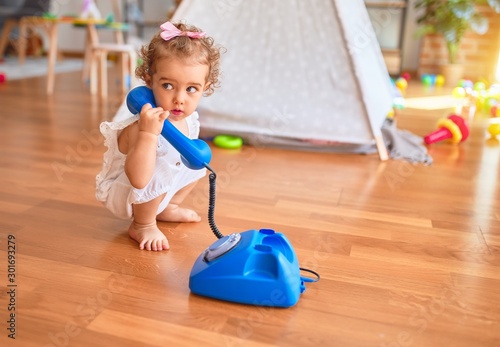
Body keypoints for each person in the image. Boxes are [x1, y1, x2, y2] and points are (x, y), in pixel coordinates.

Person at [96, 21, 223, 251]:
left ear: (206, 86)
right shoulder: (141, 126)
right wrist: (148, 134)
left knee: (196, 164)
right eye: (167, 86)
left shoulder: (188, 118)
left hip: (153, 187)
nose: (179, 99)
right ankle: (142, 223)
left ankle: (168, 207)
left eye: (191, 89)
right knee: (162, 166)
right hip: (126, 193)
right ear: (149, 82)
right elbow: (139, 179)